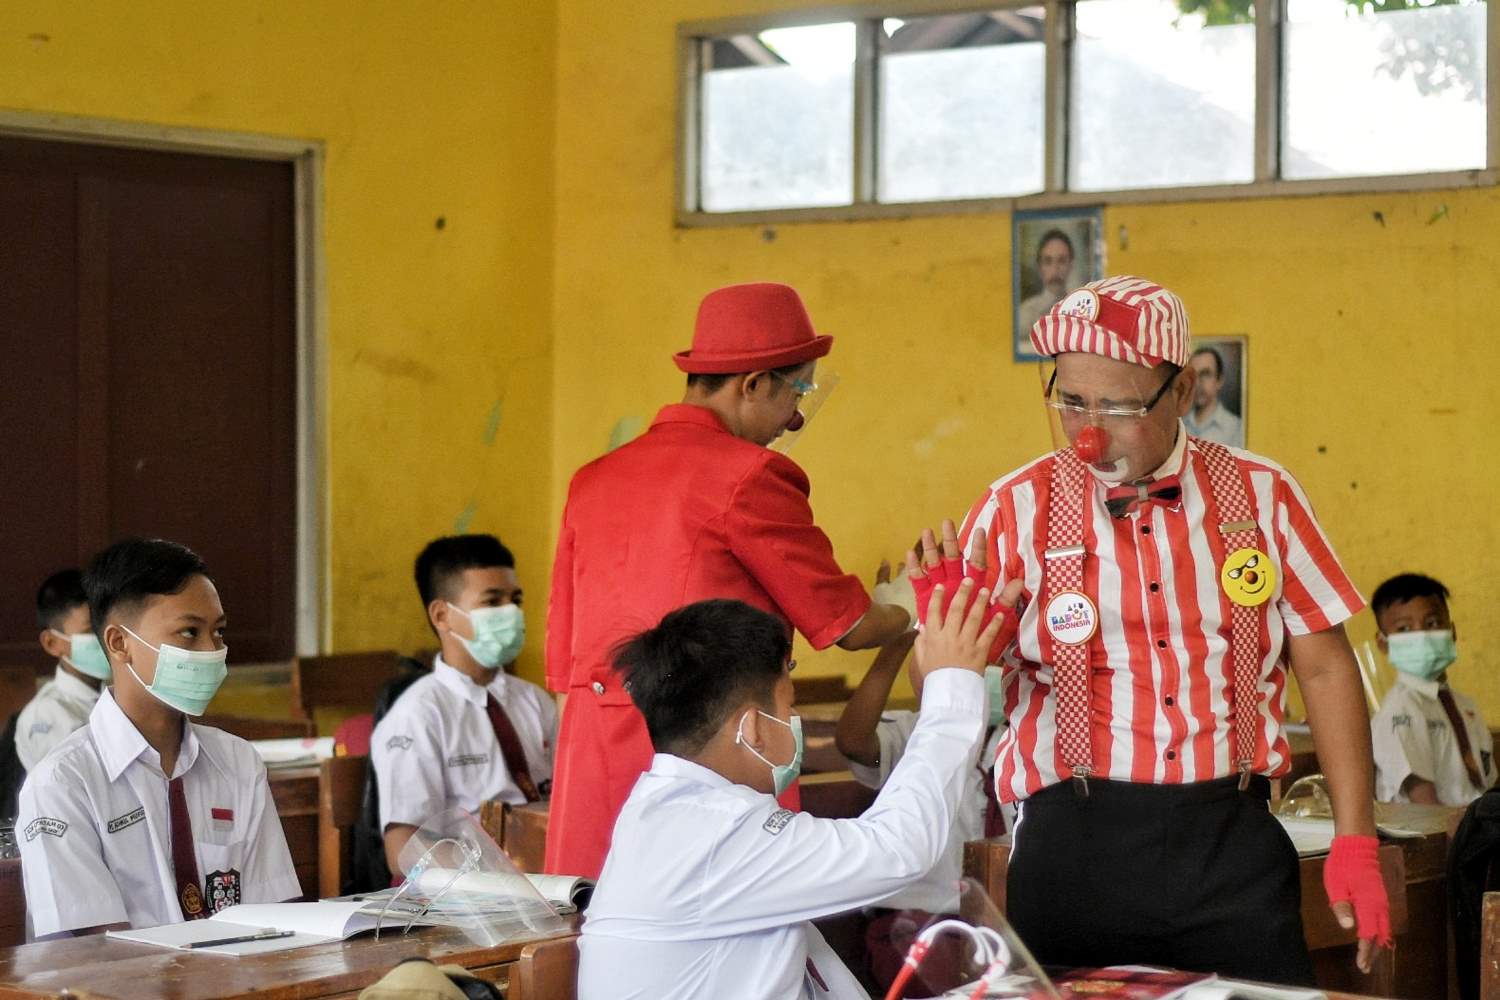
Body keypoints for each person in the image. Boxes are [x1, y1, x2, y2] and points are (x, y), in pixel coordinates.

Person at [959, 275, 1387, 982]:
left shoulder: (1263, 494)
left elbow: (1325, 668)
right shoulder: (1014, 508)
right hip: (1072, 849)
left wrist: (1357, 841)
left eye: (1119, 406)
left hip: (1231, 845)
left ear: (1183, 392)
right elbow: (940, 679)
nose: (1088, 432)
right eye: (1071, 402)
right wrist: (955, 635)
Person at [545, 282, 913, 878]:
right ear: (753, 384)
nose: (796, 414)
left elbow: (565, 666)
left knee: (597, 939)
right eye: (798, 390)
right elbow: (846, 626)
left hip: (593, 761)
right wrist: (911, 603)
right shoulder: (752, 476)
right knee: (724, 943)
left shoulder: (591, 481)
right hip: (705, 753)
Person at [578, 571, 1014, 1000]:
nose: (794, 724)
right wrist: (953, 683)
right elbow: (897, 849)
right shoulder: (712, 834)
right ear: (752, 729)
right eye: (789, 707)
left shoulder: (671, 813)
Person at [16, 538, 299, 936]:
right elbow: (91, 955)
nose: (211, 650)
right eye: (188, 632)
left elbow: (274, 918)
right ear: (120, 643)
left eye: (218, 632)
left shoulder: (237, 761)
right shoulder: (63, 784)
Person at [371, 534, 555, 873]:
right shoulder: (418, 715)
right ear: (443, 615)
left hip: (550, 873)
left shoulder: (536, 701)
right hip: (472, 890)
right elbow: (402, 846)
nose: (511, 613)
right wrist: (495, 877)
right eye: (492, 602)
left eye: (516, 599)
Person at [834, 561, 1010, 914]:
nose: (969, 671)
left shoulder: (1025, 739)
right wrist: (897, 640)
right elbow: (853, 741)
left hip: (1005, 918)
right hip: (916, 914)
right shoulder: (912, 732)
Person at [1369, 573, 1492, 805]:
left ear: (1452, 631)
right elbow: (1425, 806)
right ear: (1383, 642)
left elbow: (1487, 782)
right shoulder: (1399, 710)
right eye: (1404, 629)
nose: (1422, 635)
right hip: (1437, 834)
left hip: (1476, 826)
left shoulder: (1466, 706)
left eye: (1433, 623)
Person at [16, 570, 112, 773]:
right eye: (90, 631)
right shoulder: (47, 715)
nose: (106, 639)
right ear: (52, 643)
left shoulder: (112, 693)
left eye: (106, 627)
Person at [1016, 229, 1075, 346]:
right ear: (1039, 267)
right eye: (1048, 261)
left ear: (1071, 265)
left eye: (1062, 261)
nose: (1055, 268)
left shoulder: (1081, 310)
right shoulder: (1025, 313)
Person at [1183, 345, 1244, 448]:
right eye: (1193, 375)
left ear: (1219, 381)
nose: (1197, 382)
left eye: (1205, 374)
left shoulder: (1236, 428)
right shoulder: (1179, 424)